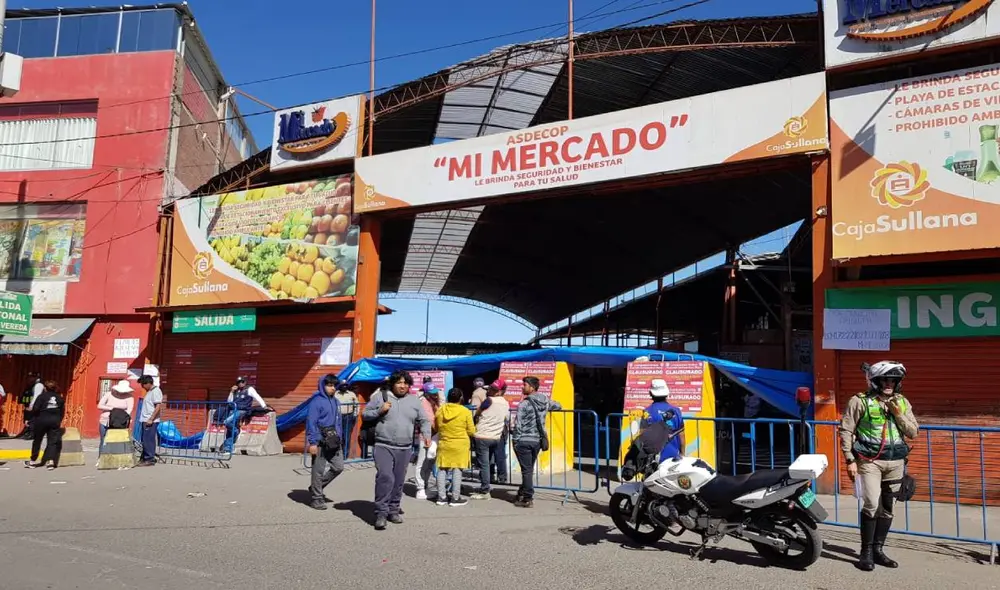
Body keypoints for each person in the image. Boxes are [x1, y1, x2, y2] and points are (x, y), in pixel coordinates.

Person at [839, 360, 919, 572]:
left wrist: (897, 414)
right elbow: (846, 430)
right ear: (875, 380)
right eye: (884, 379)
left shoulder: (902, 402)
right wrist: (849, 459)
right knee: (872, 505)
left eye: (893, 380)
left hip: (896, 463)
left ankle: (878, 550)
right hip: (869, 462)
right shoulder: (860, 401)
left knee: (888, 508)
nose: (888, 384)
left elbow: (913, 432)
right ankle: (865, 552)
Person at [362, 370, 431, 530]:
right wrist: (379, 411)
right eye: (399, 382)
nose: (402, 386)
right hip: (383, 445)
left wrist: (426, 434)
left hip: (405, 447)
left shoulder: (414, 401)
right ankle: (381, 512)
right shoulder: (380, 397)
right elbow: (365, 414)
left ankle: (393, 510)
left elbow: (424, 420)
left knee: (399, 480)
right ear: (393, 383)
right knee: (385, 477)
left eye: (406, 383)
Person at [511, 376, 562, 508]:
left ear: (532, 387)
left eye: (525, 385)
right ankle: (522, 492)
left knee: (526, 470)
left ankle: (527, 497)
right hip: (537, 441)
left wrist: (515, 441)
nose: (522, 387)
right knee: (528, 469)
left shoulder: (524, 404)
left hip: (524, 441)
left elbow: (518, 425)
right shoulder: (545, 400)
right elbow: (558, 406)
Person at [305, 374, 345, 510]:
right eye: (329, 385)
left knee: (338, 467)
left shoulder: (336, 401)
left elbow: (338, 422)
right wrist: (313, 442)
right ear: (323, 386)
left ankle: (317, 487)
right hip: (320, 440)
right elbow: (311, 423)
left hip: (334, 440)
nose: (332, 388)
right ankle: (316, 498)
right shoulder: (316, 402)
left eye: (334, 385)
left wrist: (340, 437)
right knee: (318, 470)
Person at [434, 387, 475, 507]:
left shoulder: (441, 410)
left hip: (444, 443)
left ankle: (441, 497)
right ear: (461, 398)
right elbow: (471, 430)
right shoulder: (465, 411)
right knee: (458, 470)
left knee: (442, 469)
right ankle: (455, 498)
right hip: (460, 444)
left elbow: (436, 427)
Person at [470, 382, 510, 499]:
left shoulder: (489, 400)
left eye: (492, 389)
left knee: (484, 465)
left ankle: (485, 490)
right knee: (490, 462)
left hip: (483, 436)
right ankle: (487, 485)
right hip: (496, 437)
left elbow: (477, 412)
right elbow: (506, 418)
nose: (489, 391)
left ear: (499, 391)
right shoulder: (505, 403)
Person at [640, 379, 685, 462]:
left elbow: (643, 436)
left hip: (653, 460)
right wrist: (682, 454)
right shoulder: (676, 411)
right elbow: (681, 435)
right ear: (667, 393)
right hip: (674, 457)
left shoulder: (647, 412)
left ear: (651, 394)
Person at [23, 381, 65, 471]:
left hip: (41, 421)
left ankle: (33, 461)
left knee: (37, 440)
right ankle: (50, 462)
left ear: (45, 388)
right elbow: (62, 412)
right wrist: (58, 421)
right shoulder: (59, 398)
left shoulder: (42, 397)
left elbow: (35, 409)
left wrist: (31, 419)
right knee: (52, 441)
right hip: (54, 422)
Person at [413, 382, 442, 500]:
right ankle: (420, 488)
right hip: (426, 436)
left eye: (435, 393)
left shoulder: (433, 402)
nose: (435, 395)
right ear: (426, 393)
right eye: (432, 393)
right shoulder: (423, 402)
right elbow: (429, 420)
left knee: (429, 462)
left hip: (434, 436)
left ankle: (425, 486)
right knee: (422, 462)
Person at [97, 380, 135, 464]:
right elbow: (99, 405)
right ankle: (101, 458)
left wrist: (119, 414)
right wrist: (111, 408)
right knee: (103, 440)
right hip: (105, 420)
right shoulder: (109, 394)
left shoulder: (129, 397)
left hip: (119, 422)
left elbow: (129, 410)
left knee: (117, 440)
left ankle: (115, 459)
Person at [137, 375, 164, 467]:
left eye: (143, 384)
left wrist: (151, 419)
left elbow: (158, 406)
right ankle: (144, 457)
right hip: (145, 419)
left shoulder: (156, 391)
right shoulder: (149, 392)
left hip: (150, 420)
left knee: (148, 440)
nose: (142, 386)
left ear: (148, 383)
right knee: (145, 440)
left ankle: (149, 459)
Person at [334, 382, 359, 458]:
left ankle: (345, 454)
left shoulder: (351, 394)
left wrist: (355, 414)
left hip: (348, 416)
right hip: (338, 417)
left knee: (346, 436)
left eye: (345, 385)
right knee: (338, 435)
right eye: (342, 385)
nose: (344, 387)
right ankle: (337, 454)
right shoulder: (336, 394)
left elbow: (357, 405)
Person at [17, 373, 43, 439]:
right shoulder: (32, 385)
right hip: (29, 405)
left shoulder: (38, 385)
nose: (30, 378)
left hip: (34, 406)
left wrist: (31, 405)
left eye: (32, 377)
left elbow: (36, 396)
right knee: (28, 420)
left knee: (32, 420)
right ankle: (27, 432)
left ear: (37, 378)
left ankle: (32, 434)